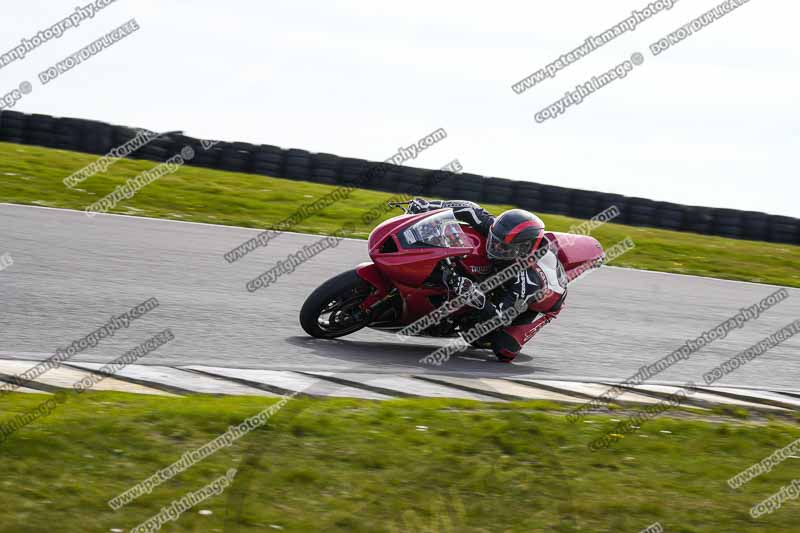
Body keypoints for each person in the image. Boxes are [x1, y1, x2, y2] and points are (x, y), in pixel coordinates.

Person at [407, 198, 567, 362]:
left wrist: (472, 294)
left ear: (522, 251)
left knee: (503, 350)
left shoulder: (527, 282)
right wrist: (428, 206)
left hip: (540, 301)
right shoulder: (500, 232)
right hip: (509, 274)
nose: (495, 248)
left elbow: (498, 318)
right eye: (494, 241)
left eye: (503, 248)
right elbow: (470, 209)